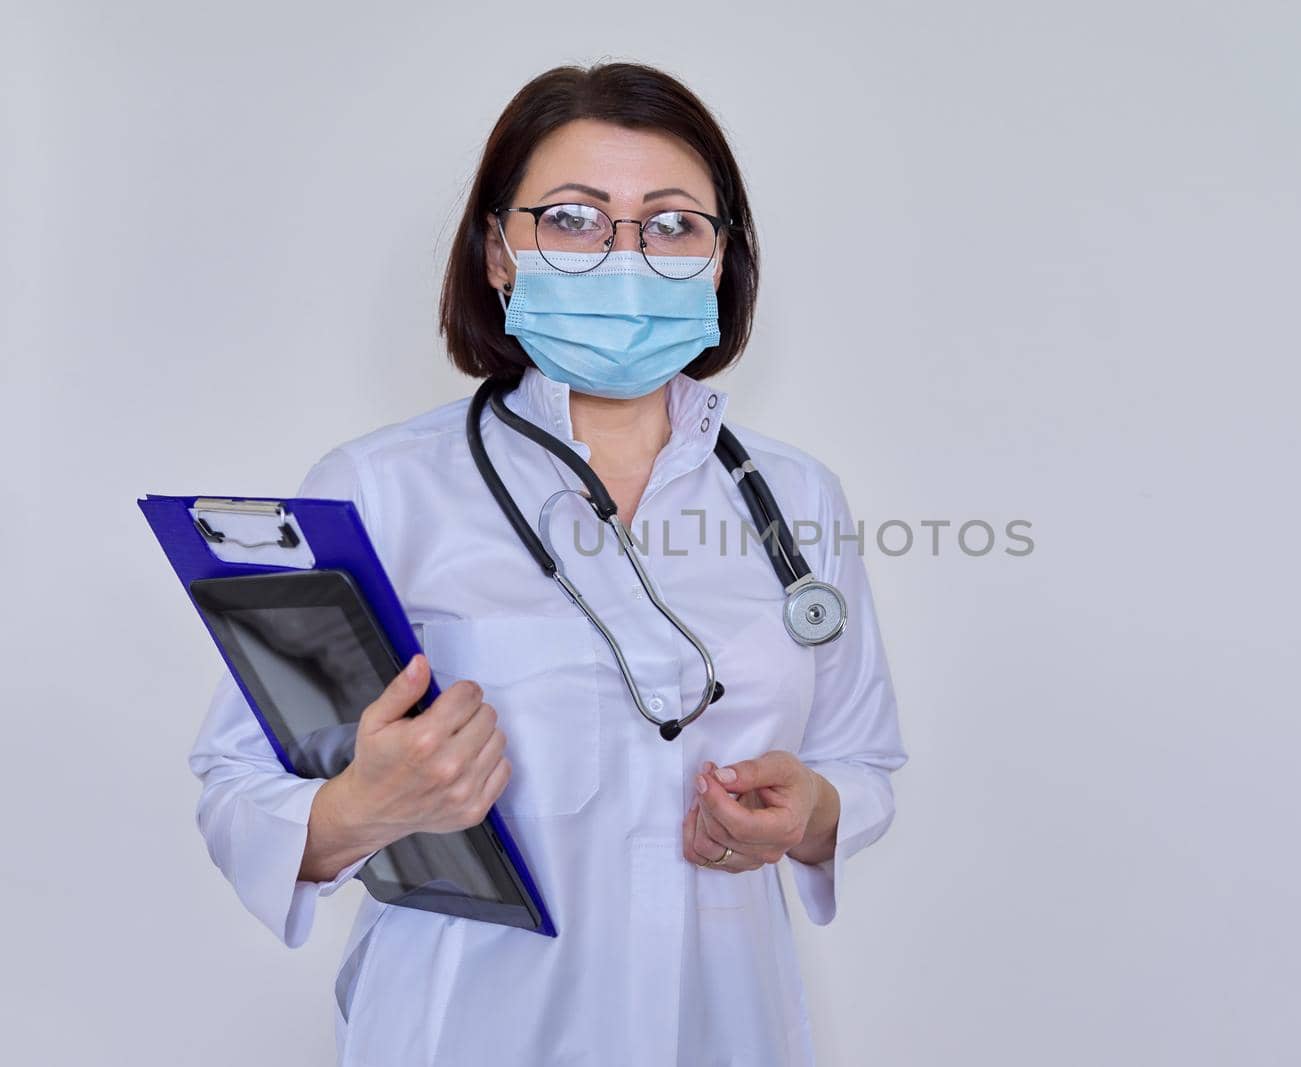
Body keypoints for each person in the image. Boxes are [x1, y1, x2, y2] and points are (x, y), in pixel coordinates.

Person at [187, 61, 909, 1065]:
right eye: (572, 219)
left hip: (723, 1017)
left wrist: (815, 811)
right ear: (497, 251)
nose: (624, 256)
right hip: (463, 1025)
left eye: (670, 224)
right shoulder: (382, 486)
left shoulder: (795, 496)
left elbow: (861, 760)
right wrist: (358, 807)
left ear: (720, 256)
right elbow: (233, 779)